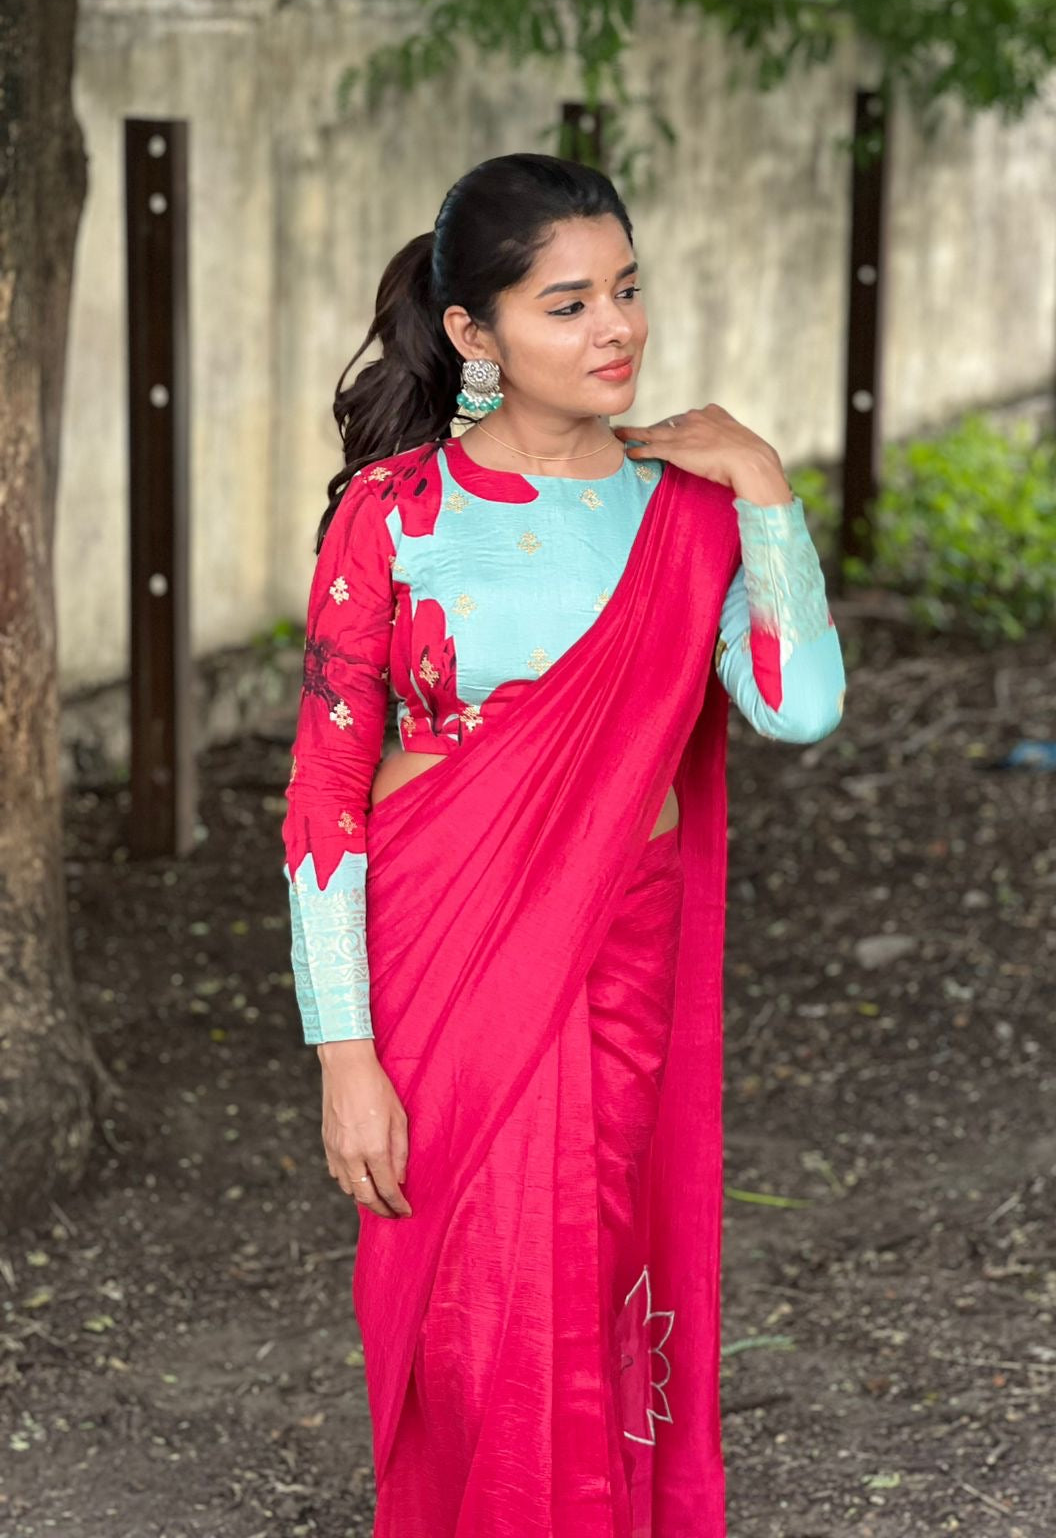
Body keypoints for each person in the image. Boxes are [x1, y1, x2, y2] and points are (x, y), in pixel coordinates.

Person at [280, 152, 846, 1538]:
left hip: (617, 947)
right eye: (569, 303)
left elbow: (799, 705)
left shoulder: (686, 512)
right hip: (444, 957)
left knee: (592, 1282)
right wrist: (344, 1057)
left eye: (628, 291)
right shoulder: (395, 513)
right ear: (473, 332)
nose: (616, 330)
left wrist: (765, 486)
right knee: (475, 1317)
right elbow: (324, 799)